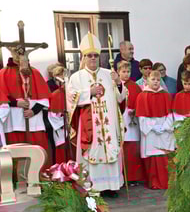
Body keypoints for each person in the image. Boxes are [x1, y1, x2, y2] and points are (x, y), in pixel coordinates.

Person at [68, 33, 126, 196]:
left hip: (108, 123)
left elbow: (121, 98)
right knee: (92, 154)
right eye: (89, 56)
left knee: (110, 149)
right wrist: (89, 92)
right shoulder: (76, 77)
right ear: (83, 57)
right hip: (89, 125)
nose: (93, 58)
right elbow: (71, 100)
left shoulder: (109, 74)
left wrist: (119, 83)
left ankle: (111, 186)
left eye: (95, 55)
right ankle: (93, 187)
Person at [0, 49, 51, 158]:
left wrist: (33, 111)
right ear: (12, 53)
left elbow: (44, 98)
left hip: (33, 120)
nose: (20, 55)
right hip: (14, 120)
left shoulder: (34, 72)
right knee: (16, 152)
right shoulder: (4, 72)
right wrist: (16, 103)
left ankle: (38, 174)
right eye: (17, 52)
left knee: (37, 153)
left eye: (22, 52)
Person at [136, 69, 174, 189]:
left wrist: (165, 126)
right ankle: (154, 183)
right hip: (151, 132)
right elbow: (141, 117)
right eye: (153, 79)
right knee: (152, 158)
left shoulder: (166, 95)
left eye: (158, 80)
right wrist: (153, 127)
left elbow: (170, 115)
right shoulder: (142, 96)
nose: (156, 82)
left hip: (164, 130)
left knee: (164, 157)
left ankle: (166, 182)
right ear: (147, 80)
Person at [116, 60, 145, 184]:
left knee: (132, 149)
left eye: (128, 71)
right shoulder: (115, 85)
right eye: (123, 71)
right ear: (118, 72)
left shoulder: (134, 86)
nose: (126, 74)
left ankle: (134, 177)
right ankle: (122, 176)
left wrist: (136, 110)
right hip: (120, 119)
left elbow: (141, 102)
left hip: (132, 121)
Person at [46, 65, 71, 164]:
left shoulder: (72, 93)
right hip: (61, 130)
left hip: (72, 128)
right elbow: (52, 116)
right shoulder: (55, 95)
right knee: (62, 152)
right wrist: (65, 123)